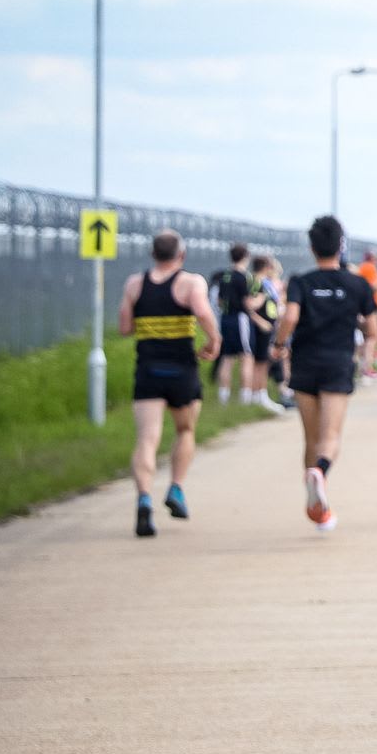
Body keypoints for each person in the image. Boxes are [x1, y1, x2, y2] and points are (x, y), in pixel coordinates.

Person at [270, 216, 377, 532]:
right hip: (337, 363)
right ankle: (320, 474)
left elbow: (290, 317)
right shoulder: (358, 284)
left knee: (311, 436)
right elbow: (372, 329)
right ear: (341, 246)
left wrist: (279, 344)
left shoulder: (301, 282)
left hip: (305, 362)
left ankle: (317, 504)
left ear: (312, 247)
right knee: (330, 437)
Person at [118, 229, 220, 537]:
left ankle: (144, 500)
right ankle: (176, 488)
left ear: (153, 255)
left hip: (148, 369)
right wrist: (214, 340)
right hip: (181, 370)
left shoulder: (136, 284)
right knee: (185, 429)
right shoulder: (190, 283)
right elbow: (202, 312)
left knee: (147, 438)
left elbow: (125, 327)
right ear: (182, 255)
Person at [212, 242, 252, 403]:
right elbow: (247, 302)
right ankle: (246, 397)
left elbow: (220, 301)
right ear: (245, 257)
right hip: (240, 318)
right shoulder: (243, 277)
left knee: (226, 358)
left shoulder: (225, 276)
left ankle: (223, 397)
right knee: (246, 357)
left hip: (225, 318)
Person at [356, 248, 377, 381]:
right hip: (369, 308)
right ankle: (367, 368)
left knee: (368, 338)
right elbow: (370, 285)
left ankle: (364, 367)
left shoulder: (365, 267)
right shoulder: (368, 267)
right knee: (373, 336)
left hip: (367, 307)